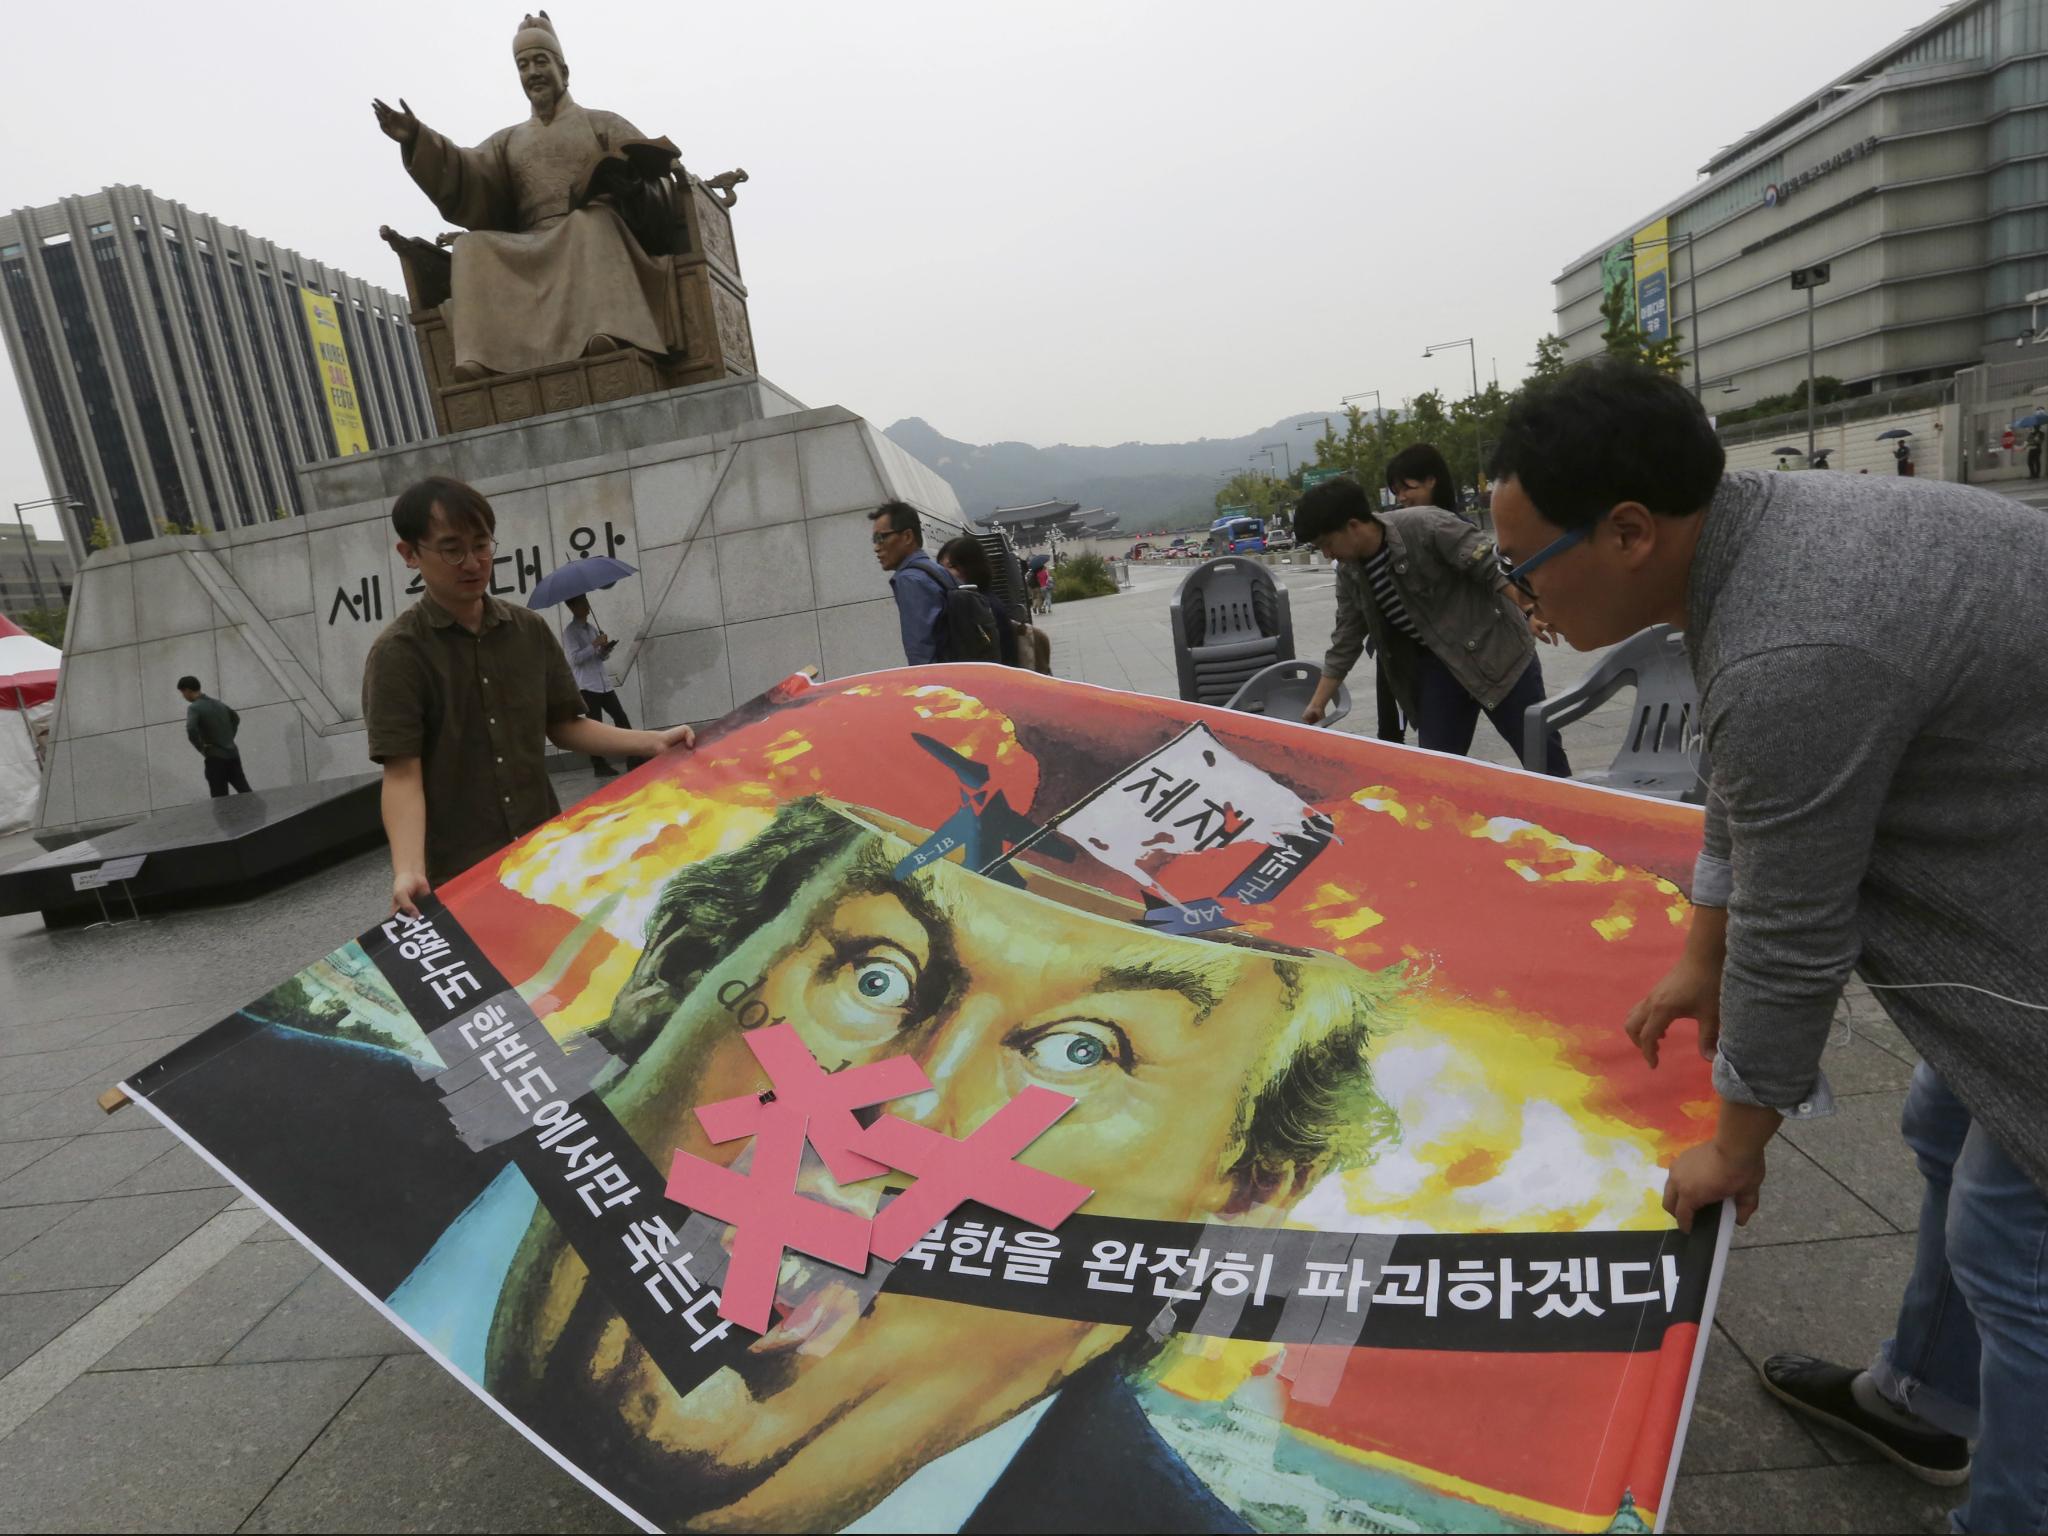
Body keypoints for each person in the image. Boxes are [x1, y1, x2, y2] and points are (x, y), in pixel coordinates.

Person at [164, 792, 1405, 1532]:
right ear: (683, 971)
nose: (899, 1117)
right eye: (876, 973)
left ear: (1240, 1197)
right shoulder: (280, 1111)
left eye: (1083, 1051)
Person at [1486, 357, 2048, 1533]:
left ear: (1628, 532)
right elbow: (1743, 790)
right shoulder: (1765, 543)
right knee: (1944, 1121)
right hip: (2012, 867)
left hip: (2019, 924)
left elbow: (1798, 932)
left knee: (2011, 1240)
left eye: (1519, 568)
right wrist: (1700, 948)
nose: (1517, 599)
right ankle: (1926, 1398)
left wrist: (1733, 1146)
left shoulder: (1790, 643)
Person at [363, 476, 695, 916]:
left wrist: (651, 741)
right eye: (452, 549)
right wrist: (408, 869)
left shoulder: (527, 631)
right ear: (409, 554)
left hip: (544, 853)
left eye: (482, 545)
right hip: (459, 873)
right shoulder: (398, 654)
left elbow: (564, 724)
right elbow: (402, 773)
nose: (472, 562)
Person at [1293, 474, 1570, 776]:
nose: (1327, 554)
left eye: (1327, 543)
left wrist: (1530, 611)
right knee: (1436, 774)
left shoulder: (1427, 526)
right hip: (1440, 670)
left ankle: (1577, 818)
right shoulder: (1350, 573)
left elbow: (1491, 567)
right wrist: (1318, 704)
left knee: (1544, 760)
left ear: (1352, 525)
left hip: (1499, 655)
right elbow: (1346, 637)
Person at [870, 501, 993, 664]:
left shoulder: (909, 579)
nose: (876, 548)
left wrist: (925, 685)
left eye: (881, 538)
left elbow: (921, 648)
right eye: (874, 539)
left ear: (907, 536)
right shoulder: (935, 570)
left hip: (942, 681)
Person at [562, 594, 641, 778]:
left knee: (621, 717)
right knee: (595, 727)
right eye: (583, 603)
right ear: (573, 607)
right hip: (587, 686)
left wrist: (605, 649)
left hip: (603, 683)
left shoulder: (591, 628)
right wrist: (594, 644)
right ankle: (599, 765)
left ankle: (634, 757)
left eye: (587, 602)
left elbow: (600, 658)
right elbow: (574, 659)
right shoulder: (570, 632)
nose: (587, 606)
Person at [935, 536, 1021, 668]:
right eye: (940, 568)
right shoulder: (971, 600)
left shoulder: (982, 606)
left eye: (951, 566)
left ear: (971, 566)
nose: (943, 573)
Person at [177, 676, 252, 797]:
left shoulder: (194, 707)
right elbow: (235, 718)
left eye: (182, 693)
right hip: (233, 754)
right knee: (245, 791)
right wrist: (228, 738)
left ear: (187, 690)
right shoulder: (218, 703)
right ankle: (258, 813)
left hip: (215, 758)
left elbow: (191, 728)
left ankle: (226, 816)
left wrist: (201, 747)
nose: (183, 696)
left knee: (220, 799)